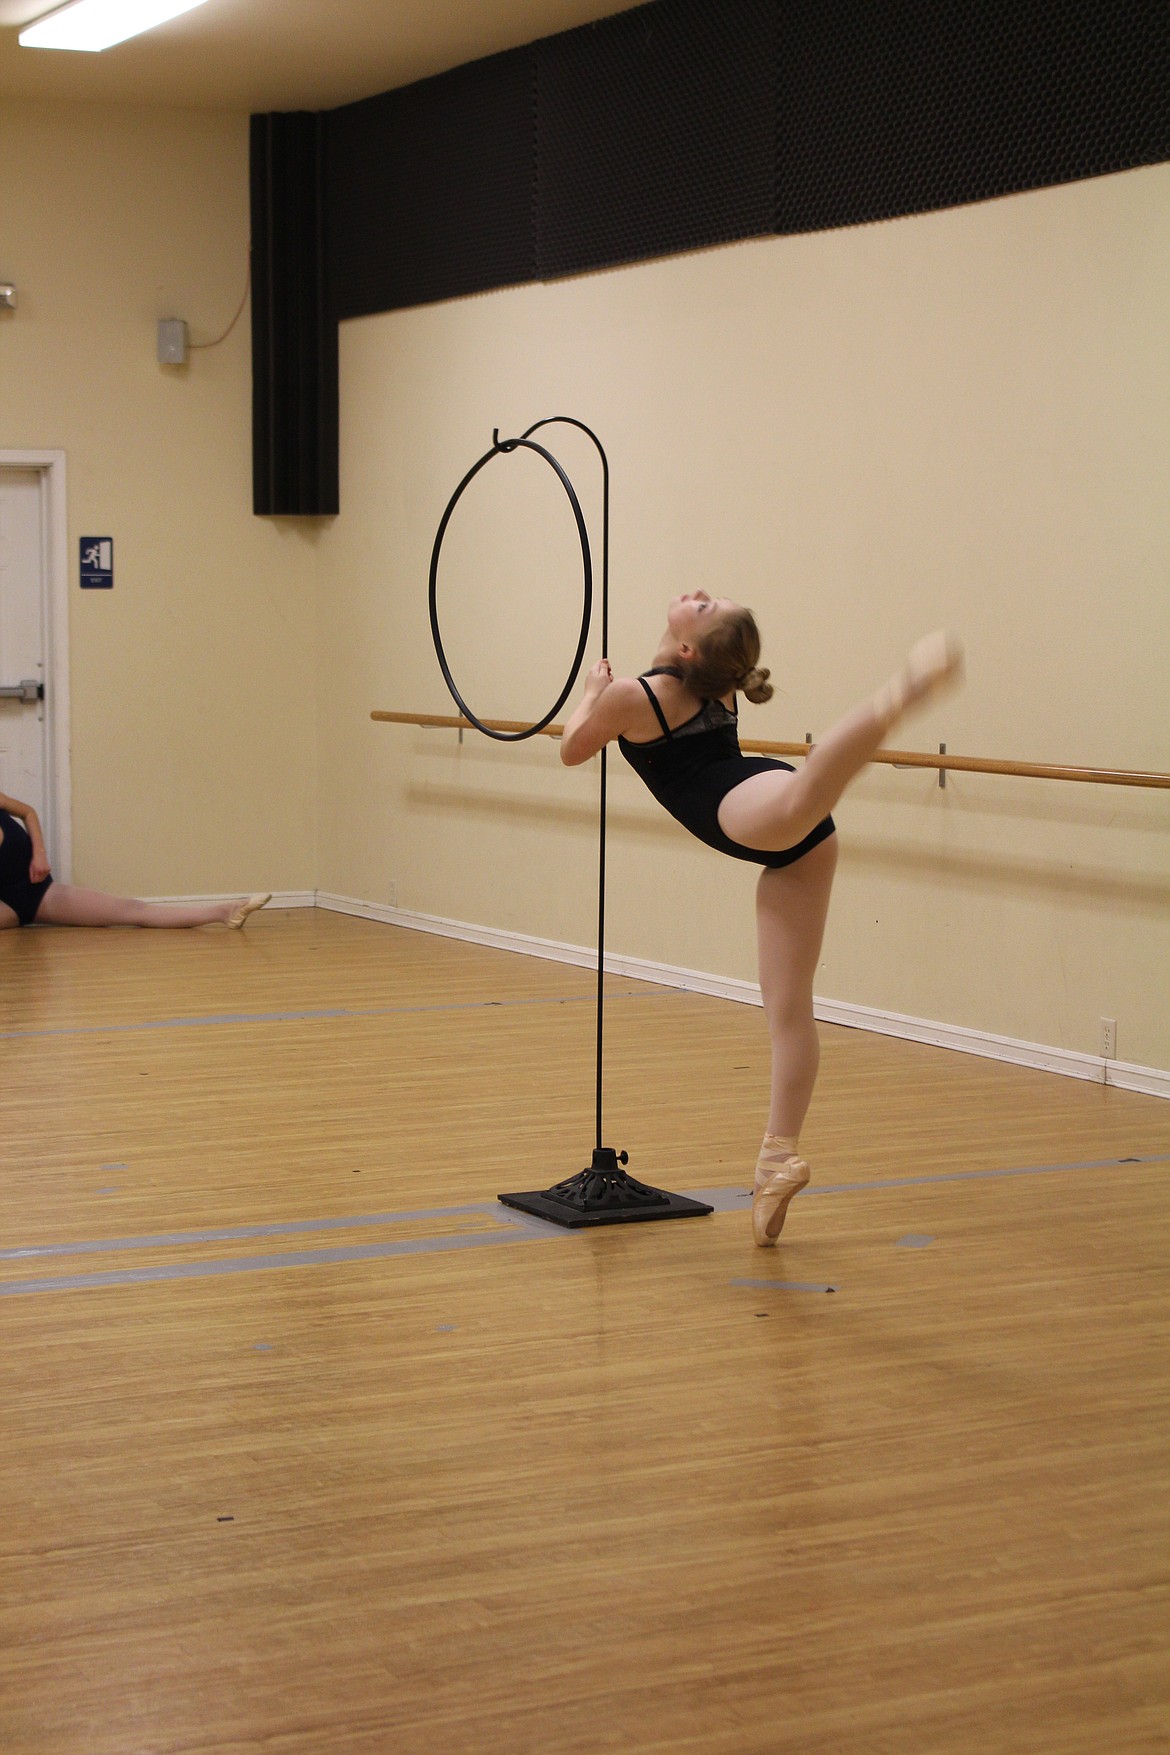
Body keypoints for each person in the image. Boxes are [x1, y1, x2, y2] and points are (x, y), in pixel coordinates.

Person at [559, 591, 962, 1246]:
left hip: (751, 806)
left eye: (707, 604)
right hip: (790, 839)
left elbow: (573, 749)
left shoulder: (634, 695)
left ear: (689, 647)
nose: (699, 595)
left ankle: (897, 698)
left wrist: (591, 690)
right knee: (788, 1007)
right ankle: (777, 1159)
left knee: (805, 792)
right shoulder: (709, 682)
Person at [0, 789, 270, 932]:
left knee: (133, 910)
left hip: (42, 894)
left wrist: (40, 854)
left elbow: (28, 813)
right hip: (7, 908)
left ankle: (224, 912)